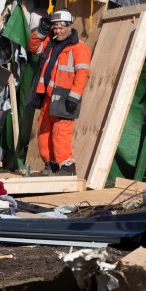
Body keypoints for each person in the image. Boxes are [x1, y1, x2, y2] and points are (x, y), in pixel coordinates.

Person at [26, 9, 91, 176]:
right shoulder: (51, 43)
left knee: (61, 132)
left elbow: (82, 74)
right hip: (48, 96)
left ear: (69, 26)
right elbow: (33, 47)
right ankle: (51, 165)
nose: (58, 31)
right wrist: (42, 30)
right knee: (44, 131)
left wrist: (74, 97)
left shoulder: (79, 48)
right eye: (55, 27)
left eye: (61, 27)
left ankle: (67, 167)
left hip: (65, 97)